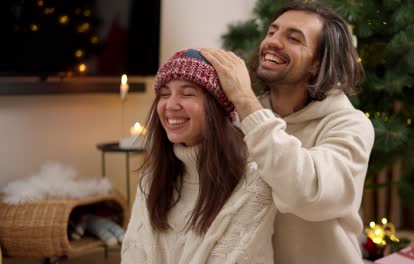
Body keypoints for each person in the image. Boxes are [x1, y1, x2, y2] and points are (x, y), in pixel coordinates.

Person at [200, 2, 375, 264]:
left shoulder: (350, 125)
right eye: (272, 32)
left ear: (317, 63)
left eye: (293, 38)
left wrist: (247, 103)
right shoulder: (237, 118)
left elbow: (307, 193)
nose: (272, 42)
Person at [121, 49, 276, 264]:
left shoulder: (254, 181)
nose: (171, 105)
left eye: (187, 94)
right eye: (165, 94)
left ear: (217, 107)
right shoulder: (152, 177)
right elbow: (133, 255)